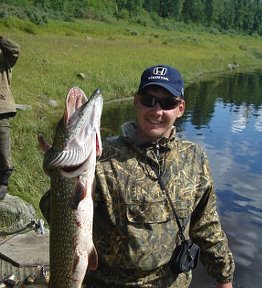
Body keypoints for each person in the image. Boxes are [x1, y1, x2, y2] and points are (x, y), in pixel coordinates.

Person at [40, 64, 235, 287]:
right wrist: (57, 173)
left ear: (180, 108)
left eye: (167, 103)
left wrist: (224, 277)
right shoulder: (102, 157)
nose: (156, 110)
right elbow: (53, 213)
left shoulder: (194, 157)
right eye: (148, 100)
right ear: (135, 101)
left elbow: (205, 224)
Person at [0, 36, 20, 200]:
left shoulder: (4, 57)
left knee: (3, 149)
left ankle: (3, 183)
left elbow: (14, 49)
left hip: (1, 109)